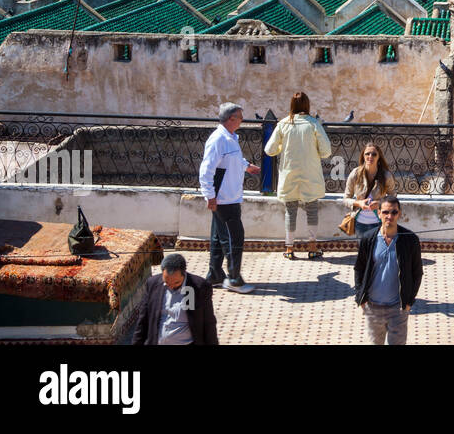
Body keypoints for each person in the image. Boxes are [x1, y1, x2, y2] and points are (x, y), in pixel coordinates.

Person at [199, 102, 260, 293]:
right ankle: (234, 279)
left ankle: (215, 275)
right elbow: (206, 169)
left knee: (218, 237)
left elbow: (231, 160)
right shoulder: (218, 139)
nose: (242, 120)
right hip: (224, 199)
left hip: (230, 197)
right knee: (234, 238)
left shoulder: (231, 138)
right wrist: (209, 195)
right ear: (231, 119)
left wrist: (246, 166)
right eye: (240, 117)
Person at [264, 91, 332, 260]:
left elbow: (269, 150)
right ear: (307, 105)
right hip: (310, 173)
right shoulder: (314, 124)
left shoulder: (283, 124)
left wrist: (283, 149)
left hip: (289, 173)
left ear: (291, 106)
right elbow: (326, 152)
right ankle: (313, 247)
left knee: (290, 211)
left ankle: (289, 249)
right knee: (312, 210)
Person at [353, 194, 422, 345]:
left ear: (400, 214)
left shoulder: (410, 240)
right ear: (379, 213)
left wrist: (409, 301)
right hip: (372, 308)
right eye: (385, 212)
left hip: (398, 310)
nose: (389, 216)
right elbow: (359, 268)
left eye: (394, 212)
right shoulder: (368, 238)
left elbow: (417, 272)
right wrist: (361, 297)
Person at [131, 253, 219, 345]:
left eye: (176, 282)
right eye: (167, 282)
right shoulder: (153, 284)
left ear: (184, 273)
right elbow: (143, 320)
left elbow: (209, 322)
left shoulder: (198, 287)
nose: (171, 286)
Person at [343, 143, 397, 238]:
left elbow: (393, 198)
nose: (370, 156)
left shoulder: (386, 176)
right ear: (363, 156)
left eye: (374, 154)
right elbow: (346, 199)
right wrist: (359, 203)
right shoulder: (355, 174)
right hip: (360, 223)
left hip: (379, 222)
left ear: (379, 157)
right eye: (367, 154)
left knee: (377, 252)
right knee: (363, 252)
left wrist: (380, 203)